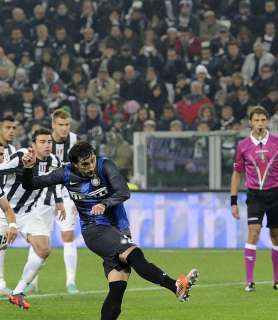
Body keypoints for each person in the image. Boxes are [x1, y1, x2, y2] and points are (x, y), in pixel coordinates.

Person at [21, 141, 198, 318]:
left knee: (118, 287)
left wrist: (104, 204)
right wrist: (28, 168)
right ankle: (175, 286)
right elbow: (31, 184)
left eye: (92, 160)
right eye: (85, 164)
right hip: (94, 229)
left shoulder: (104, 165)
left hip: (117, 228)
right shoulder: (65, 173)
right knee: (135, 254)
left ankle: (175, 287)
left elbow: (124, 192)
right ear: (75, 164)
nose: (91, 166)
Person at [230, 106, 278, 292]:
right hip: (254, 195)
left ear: (267, 121)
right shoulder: (243, 146)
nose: (259, 123)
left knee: (276, 234)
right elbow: (237, 174)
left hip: (276, 193)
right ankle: (249, 281)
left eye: (262, 120)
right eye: (256, 120)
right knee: (254, 231)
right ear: (250, 122)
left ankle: (277, 280)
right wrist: (233, 201)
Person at [0, 128, 64, 309]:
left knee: (44, 249)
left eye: (49, 142)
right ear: (33, 145)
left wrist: (59, 200)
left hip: (28, 213)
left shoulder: (54, 162)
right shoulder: (22, 155)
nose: (46, 145)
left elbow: (56, 181)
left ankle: (18, 292)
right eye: (42, 142)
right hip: (4, 211)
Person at [40, 109, 79, 294]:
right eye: (61, 125)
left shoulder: (74, 140)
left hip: (66, 193)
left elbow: (80, 169)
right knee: (40, 238)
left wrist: (78, 198)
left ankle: (71, 282)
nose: (64, 128)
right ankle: (33, 282)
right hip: (45, 194)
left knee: (68, 236)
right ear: (53, 125)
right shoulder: (44, 140)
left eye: (67, 124)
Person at [0, 115, 17, 294]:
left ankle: (1, 281)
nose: (11, 131)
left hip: (3, 200)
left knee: (2, 242)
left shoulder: (12, 150)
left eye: (13, 128)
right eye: (7, 127)